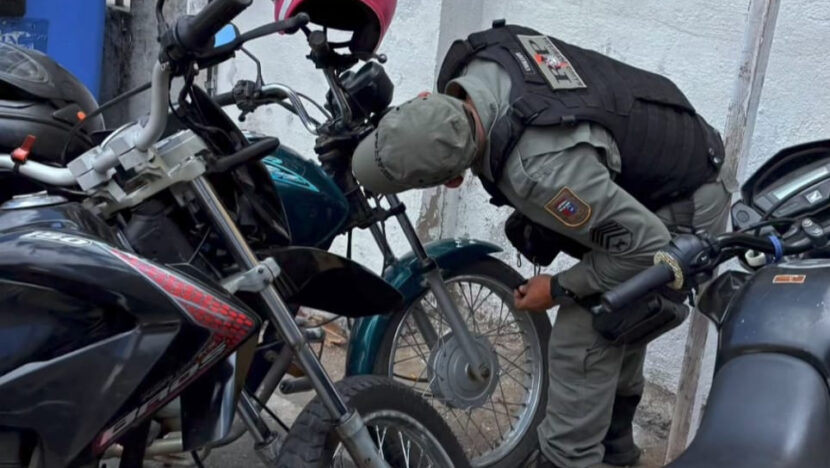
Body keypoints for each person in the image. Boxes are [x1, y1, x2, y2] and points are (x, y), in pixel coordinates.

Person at [351, 20, 730, 468]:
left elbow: (645, 248)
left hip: (687, 202)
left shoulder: (539, 173)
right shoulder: (478, 61)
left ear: (453, 181)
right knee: (626, 320)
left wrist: (560, 286)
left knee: (588, 327)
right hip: (668, 149)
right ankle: (615, 452)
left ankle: (567, 459)